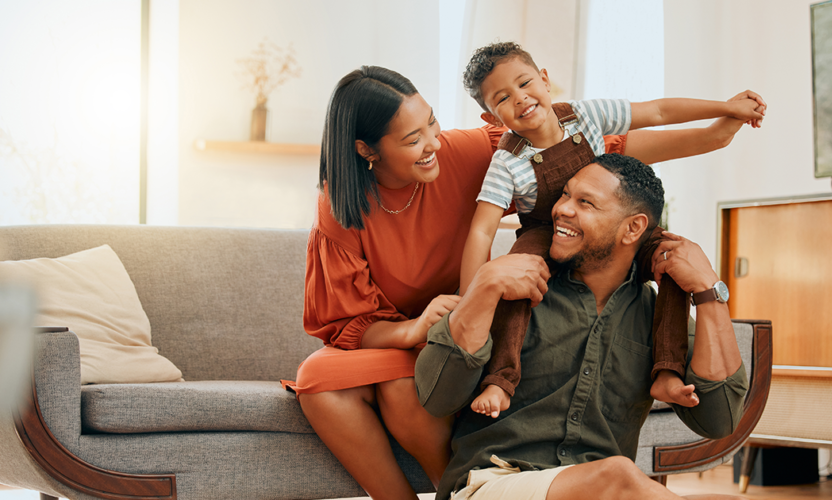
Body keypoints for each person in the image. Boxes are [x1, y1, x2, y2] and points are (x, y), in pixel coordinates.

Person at [289, 65, 756, 500]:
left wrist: (716, 138)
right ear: (366, 150)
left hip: (469, 335)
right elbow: (357, 326)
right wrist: (476, 293)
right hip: (431, 330)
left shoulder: (473, 151)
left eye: (432, 123)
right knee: (325, 377)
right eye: (413, 138)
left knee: (402, 387)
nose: (434, 142)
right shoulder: (344, 207)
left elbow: (588, 150)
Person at [458, 41, 765, 418]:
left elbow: (658, 110)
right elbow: (481, 232)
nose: (520, 99)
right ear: (492, 118)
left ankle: (667, 370)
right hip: (546, 230)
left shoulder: (585, 116)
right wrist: (469, 297)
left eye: (524, 83)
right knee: (515, 279)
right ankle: (501, 378)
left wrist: (726, 107)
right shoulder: (507, 162)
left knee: (673, 258)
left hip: (610, 218)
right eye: (503, 98)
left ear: (544, 79)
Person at [416, 153, 748, 500]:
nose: (562, 209)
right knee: (619, 476)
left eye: (585, 202)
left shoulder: (658, 319)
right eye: (565, 195)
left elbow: (719, 419)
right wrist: (483, 286)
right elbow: (437, 396)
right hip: (492, 483)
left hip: (594, 490)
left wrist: (709, 291)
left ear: (633, 228)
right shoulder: (511, 287)